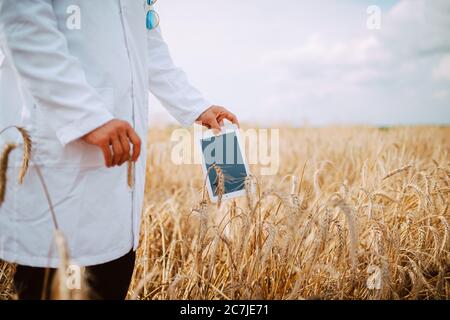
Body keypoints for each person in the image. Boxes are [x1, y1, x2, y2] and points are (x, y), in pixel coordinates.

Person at [0, 0, 238, 300]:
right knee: (51, 279)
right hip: (57, 148)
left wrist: (195, 105)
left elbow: (147, 46)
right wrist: (85, 117)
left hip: (119, 172)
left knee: (113, 271)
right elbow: (24, 25)